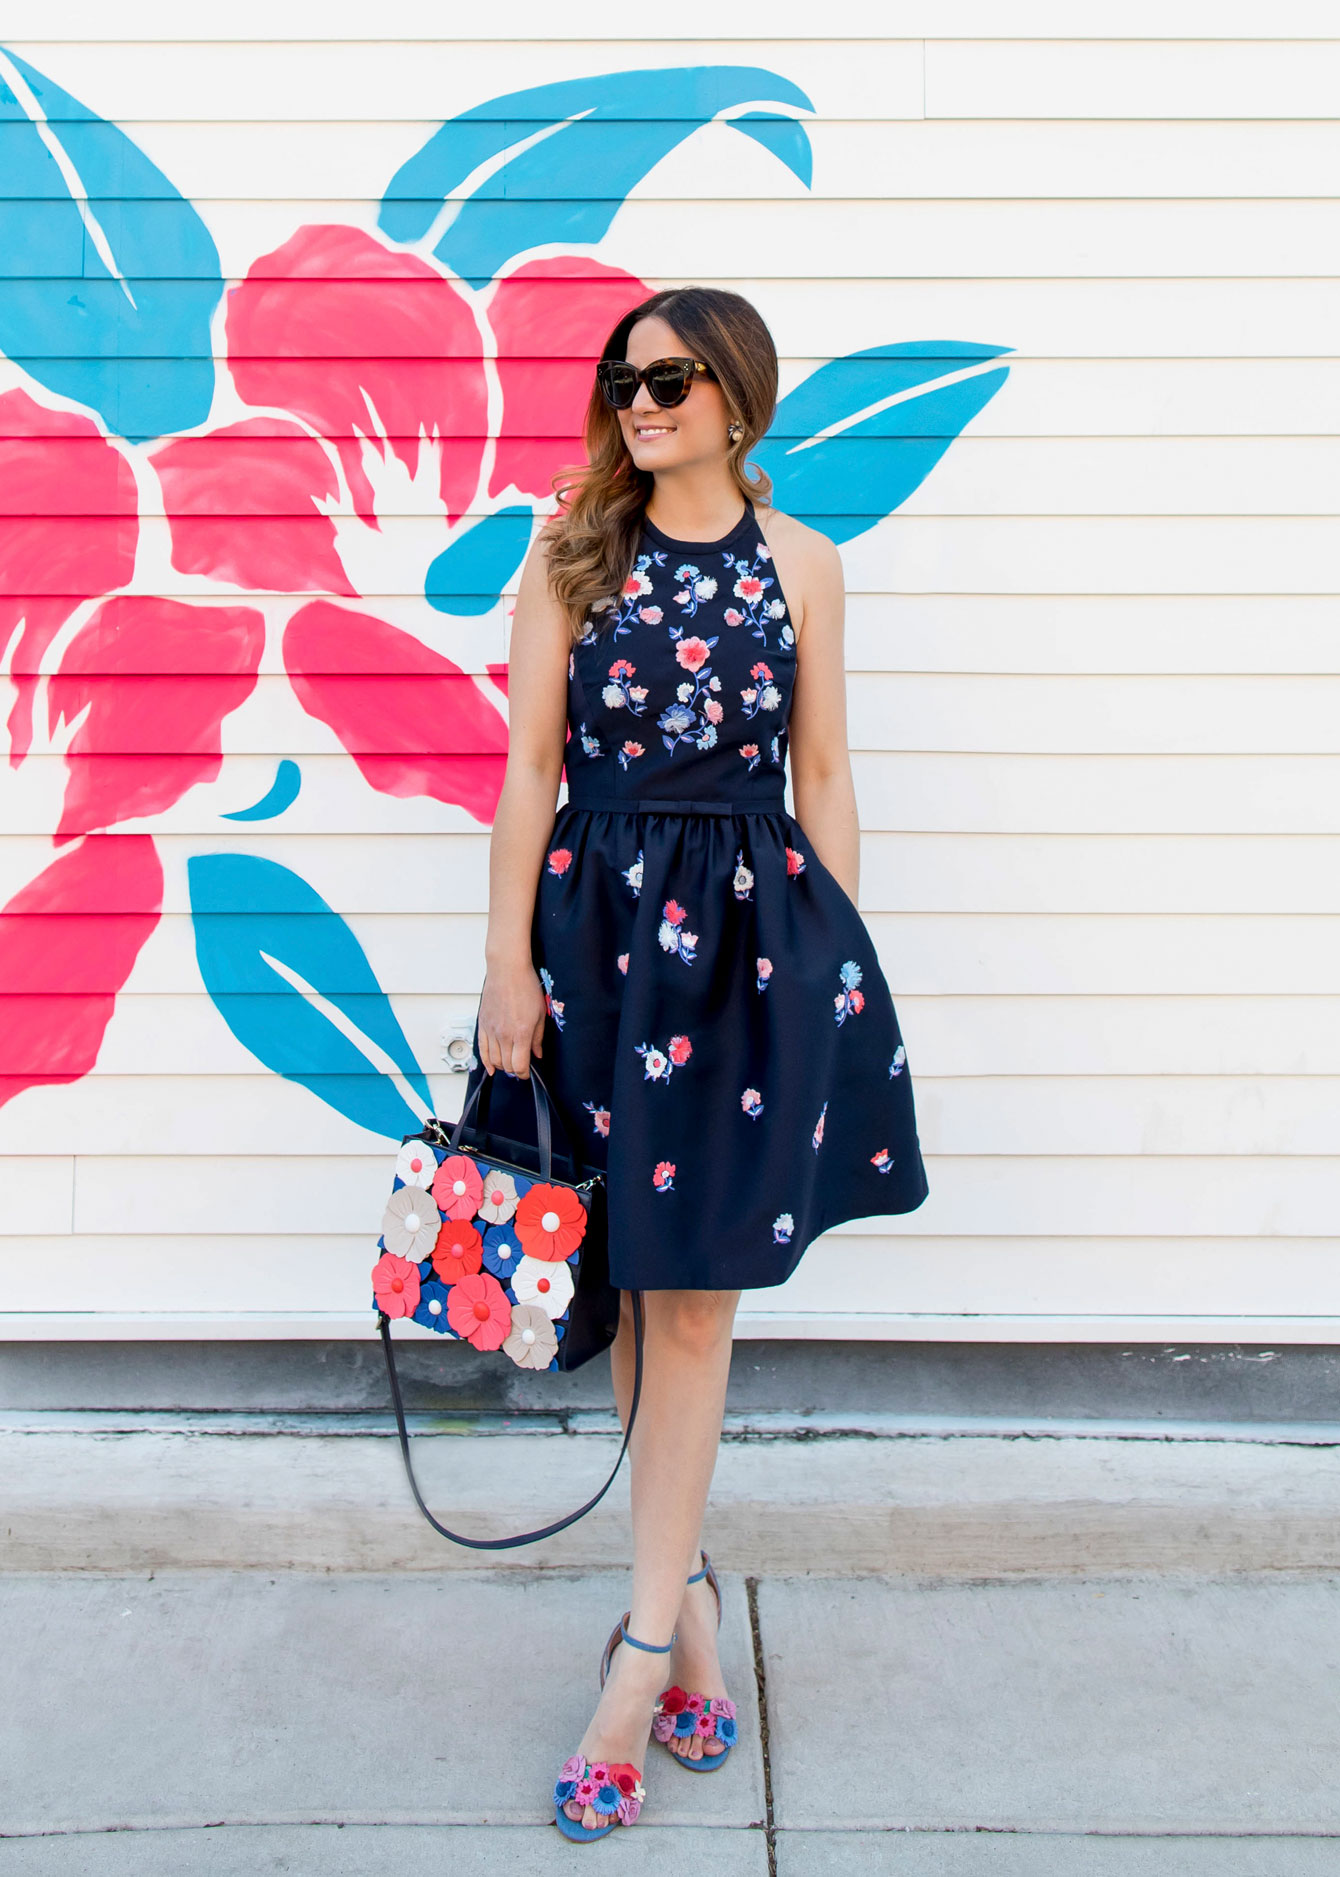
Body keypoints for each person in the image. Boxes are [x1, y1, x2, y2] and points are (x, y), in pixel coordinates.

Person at [466, 285, 929, 1841]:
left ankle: (639, 1648)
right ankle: (695, 1599)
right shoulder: (571, 552)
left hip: (746, 952)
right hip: (593, 940)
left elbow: (826, 771)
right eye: (623, 377)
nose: (637, 400)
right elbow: (530, 766)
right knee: (629, 1286)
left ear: (738, 396)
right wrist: (504, 968)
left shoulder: (808, 566)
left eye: (667, 377)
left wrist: (837, 974)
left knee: (699, 1296)